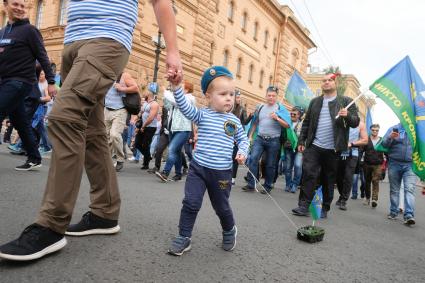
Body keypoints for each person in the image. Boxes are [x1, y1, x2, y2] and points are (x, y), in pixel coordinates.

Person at [0, 0, 182, 261]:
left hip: (107, 38)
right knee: (93, 132)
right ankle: (104, 213)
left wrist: (172, 50)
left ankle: (51, 225)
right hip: (73, 43)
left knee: (64, 117)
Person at [166, 66, 249, 256]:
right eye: (223, 94)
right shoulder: (202, 115)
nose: (229, 98)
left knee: (221, 206)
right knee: (191, 202)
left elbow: (243, 140)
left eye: (232, 94)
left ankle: (229, 230)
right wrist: (177, 87)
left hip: (221, 173)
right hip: (198, 169)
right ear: (208, 96)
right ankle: (184, 236)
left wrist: (243, 151)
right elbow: (185, 108)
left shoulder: (234, 121)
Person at [292, 73, 360, 218]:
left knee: (328, 179)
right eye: (324, 81)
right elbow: (307, 123)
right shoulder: (315, 102)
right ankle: (303, 205)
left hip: (333, 149)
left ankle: (324, 208)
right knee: (308, 174)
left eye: (330, 80)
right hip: (314, 146)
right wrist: (302, 141)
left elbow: (355, 122)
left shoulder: (346, 101)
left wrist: (347, 115)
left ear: (335, 83)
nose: (326, 82)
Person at [0, 0, 56, 171]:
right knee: (21, 122)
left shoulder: (30, 30)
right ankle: (34, 157)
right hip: (4, 81)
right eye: (15, 4)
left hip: (20, 81)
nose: (19, 8)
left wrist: (52, 82)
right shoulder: (2, 32)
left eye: (23, 6)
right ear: (6, 4)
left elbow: (42, 55)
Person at [242, 86, 290, 194]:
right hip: (259, 138)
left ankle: (267, 186)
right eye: (269, 95)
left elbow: (287, 125)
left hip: (274, 140)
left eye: (273, 96)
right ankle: (251, 184)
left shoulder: (280, 108)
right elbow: (255, 123)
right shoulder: (260, 107)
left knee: (270, 164)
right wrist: (250, 136)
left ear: (276, 97)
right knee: (253, 159)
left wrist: (277, 118)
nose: (271, 97)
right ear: (266, 96)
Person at [155, 81, 196, 181]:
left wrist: (165, 91)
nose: (179, 88)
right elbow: (169, 106)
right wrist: (165, 98)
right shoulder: (179, 98)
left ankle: (165, 173)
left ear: (187, 89)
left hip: (183, 129)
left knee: (172, 149)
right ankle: (178, 174)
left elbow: (176, 102)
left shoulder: (190, 98)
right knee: (177, 151)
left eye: (181, 87)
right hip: (173, 128)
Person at [382, 124, 417, 225]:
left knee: (409, 189)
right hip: (394, 163)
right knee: (394, 190)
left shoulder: (417, 129)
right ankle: (393, 212)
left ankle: (409, 215)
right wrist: (390, 137)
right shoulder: (393, 128)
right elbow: (384, 144)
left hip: (410, 165)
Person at [104, 71, 139, 172]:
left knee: (114, 134)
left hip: (120, 110)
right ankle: (107, 160)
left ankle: (120, 159)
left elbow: (135, 87)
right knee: (106, 137)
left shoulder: (124, 75)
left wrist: (122, 88)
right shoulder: (106, 74)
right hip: (107, 109)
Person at [335, 121, 368, 210]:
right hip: (339, 152)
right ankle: (342, 195)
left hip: (353, 153)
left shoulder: (360, 124)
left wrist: (352, 143)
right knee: (338, 177)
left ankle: (344, 200)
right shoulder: (341, 121)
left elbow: (365, 140)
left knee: (348, 176)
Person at [231, 89, 252, 185]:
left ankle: (233, 177)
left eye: (240, 97)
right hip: (228, 134)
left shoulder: (242, 109)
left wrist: (250, 116)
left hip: (237, 134)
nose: (239, 99)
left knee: (234, 157)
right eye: (237, 97)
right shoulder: (229, 107)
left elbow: (244, 122)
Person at [135, 90, 159, 170]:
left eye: (144, 95)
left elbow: (151, 118)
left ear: (148, 96)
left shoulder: (154, 104)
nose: (143, 96)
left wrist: (143, 126)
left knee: (145, 144)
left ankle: (146, 164)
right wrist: (137, 117)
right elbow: (141, 112)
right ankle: (148, 156)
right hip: (142, 125)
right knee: (137, 143)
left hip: (150, 127)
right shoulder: (145, 103)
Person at [362, 123, 385, 207]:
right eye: (373, 130)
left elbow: (386, 152)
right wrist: (360, 161)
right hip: (367, 164)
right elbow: (361, 150)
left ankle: (374, 199)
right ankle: (367, 198)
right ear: (370, 130)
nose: (375, 131)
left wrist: (387, 164)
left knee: (375, 181)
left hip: (378, 164)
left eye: (376, 130)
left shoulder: (382, 140)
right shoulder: (366, 139)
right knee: (367, 182)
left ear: (378, 131)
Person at [284, 106, 304, 193]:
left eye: (294, 114)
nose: (292, 115)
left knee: (298, 166)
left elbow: (305, 136)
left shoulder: (303, 124)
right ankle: (288, 184)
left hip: (299, 149)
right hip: (288, 148)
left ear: (299, 115)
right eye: (291, 113)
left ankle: (295, 184)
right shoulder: (287, 123)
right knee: (288, 167)